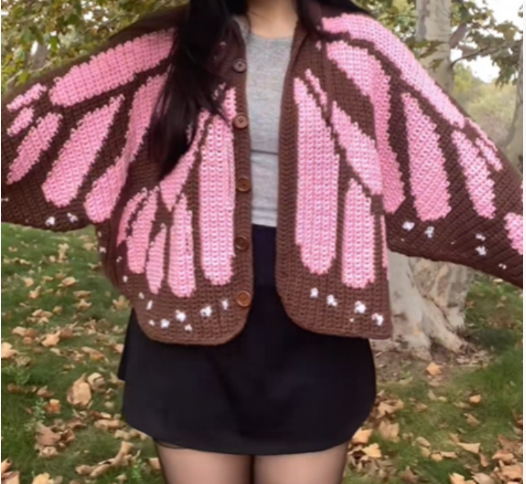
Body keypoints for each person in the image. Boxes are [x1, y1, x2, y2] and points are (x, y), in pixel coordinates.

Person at [1, 0, 522, 483]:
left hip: (317, 330)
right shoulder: (171, 44)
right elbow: (41, 123)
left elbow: (459, 160)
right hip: (187, 320)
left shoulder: (362, 46)